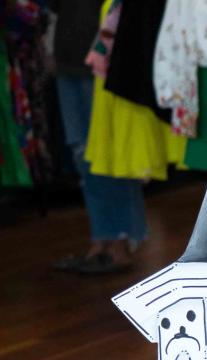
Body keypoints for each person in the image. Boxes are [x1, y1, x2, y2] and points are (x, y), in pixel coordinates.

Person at [50, 0, 147, 274]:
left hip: (104, 62)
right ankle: (102, 237)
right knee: (83, 156)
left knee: (112, 154)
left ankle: (123, 238)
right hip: (68, 58)